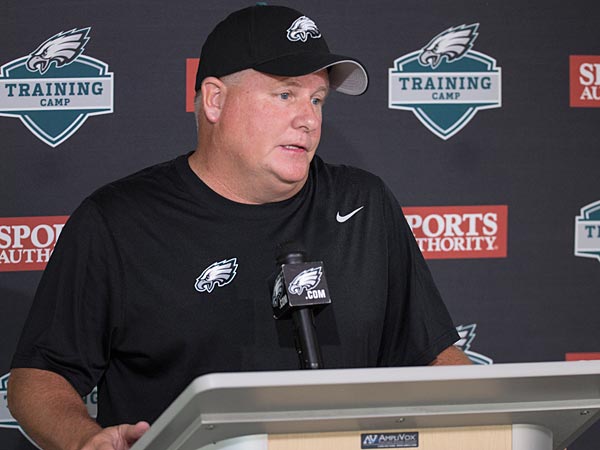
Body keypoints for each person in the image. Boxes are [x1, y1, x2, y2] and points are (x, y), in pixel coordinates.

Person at [7, 4, 471, 450]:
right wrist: (80, 438)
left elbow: (433, 356)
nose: (308, 119)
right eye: (285, 93)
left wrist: (493, 419)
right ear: (214, 100)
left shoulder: (364, 205)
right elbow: (40, 377)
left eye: (317, 99)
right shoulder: (118, 221)